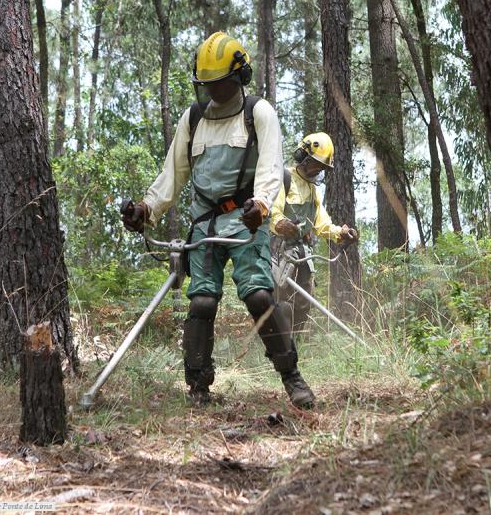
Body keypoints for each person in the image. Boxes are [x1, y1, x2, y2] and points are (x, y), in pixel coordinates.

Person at [121, 32, 315, 408]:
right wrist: (147, 209)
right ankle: (198, 387)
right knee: (203, 302)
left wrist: (260, 205)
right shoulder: (193, 119)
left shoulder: (258, 113)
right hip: (205, 225)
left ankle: (292, 377)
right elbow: (173, 173)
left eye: (221, 84)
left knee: (259, 294)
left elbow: (271, 166)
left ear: (239, 78)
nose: (214, 92)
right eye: (207, 86)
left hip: (247, 220)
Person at [270, 132, 359, 336]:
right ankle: (278, 348)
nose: (317, 170)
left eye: (321, 168)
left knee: (303, 303)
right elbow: (272, 214)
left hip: (303, 254)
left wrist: (340, 233)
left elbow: (321, 224)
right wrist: (281, 223)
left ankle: (296, 346)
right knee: (281, 303)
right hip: (280, 253)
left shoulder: (312, 190)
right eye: (315, 164)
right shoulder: (283, 178)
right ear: (302, 157)